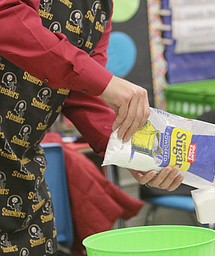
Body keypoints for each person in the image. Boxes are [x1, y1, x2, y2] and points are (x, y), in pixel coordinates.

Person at [0, 0, 183, 255]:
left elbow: (81, 91)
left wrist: (130, 151)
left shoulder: (100, 8)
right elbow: (8, 20)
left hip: (22, 172)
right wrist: (105, 82)